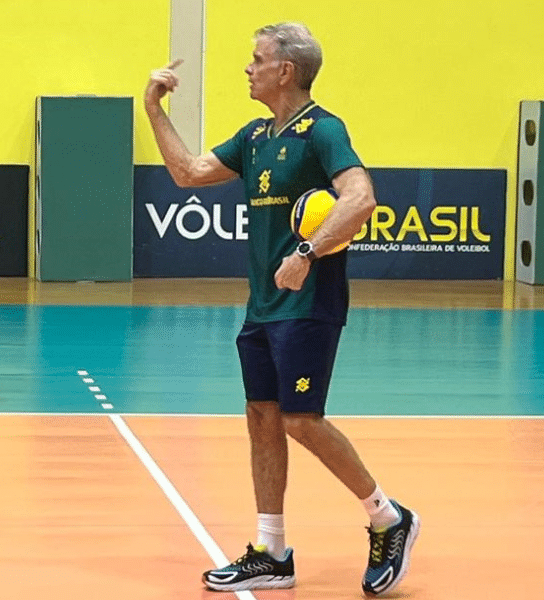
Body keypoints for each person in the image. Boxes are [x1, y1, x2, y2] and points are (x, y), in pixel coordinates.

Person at [144, 23, 419, 597]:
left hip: (309, 303)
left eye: (257, 60)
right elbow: (188, 173)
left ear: (286, 71)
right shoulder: (253, 136)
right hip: (262, 308)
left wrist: (307, 251)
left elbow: (361, 199)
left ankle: (388, 517)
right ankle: (272, 552)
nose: (248, 68)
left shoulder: (323, 130)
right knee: (263, 416)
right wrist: (153, 108)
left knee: (301, 419)